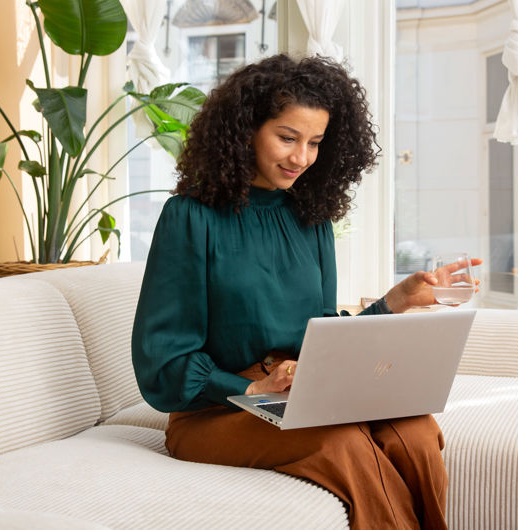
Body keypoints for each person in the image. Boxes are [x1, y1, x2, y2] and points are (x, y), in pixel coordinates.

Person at [131, 53, 477, 529]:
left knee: (414, 429)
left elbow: (324, 337)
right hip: (215, 411)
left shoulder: (310, 218)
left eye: (315, 142)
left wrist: (397, 301)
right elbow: (163, 359)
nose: (301, 158)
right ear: (245, 129)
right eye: (287, 138)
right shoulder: (190, 218)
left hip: (300, 391)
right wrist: (252, 386)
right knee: (341, 442)